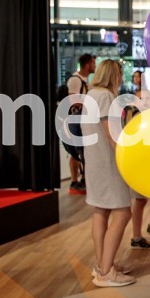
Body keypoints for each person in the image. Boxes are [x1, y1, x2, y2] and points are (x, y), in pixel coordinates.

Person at [82, 59, 135, 288]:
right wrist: (128, 157)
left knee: (100, 211)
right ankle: (106, 272)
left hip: (94, 162)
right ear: (113, 74)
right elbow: (111, 135)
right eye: (120, 73)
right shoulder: (105, 97)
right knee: (123, 213)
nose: (122, 78)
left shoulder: (91, 95)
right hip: (108, 164)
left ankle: (103, 264)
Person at [65, 53, 96, 194]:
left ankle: (84, 179)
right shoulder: (75, 80)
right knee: (75, 152)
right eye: (93, 63)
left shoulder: (85, 80)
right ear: (87, 64)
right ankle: (74, 181)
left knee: (83, 151)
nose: (94, 66)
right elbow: (73, 101)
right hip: (74, 120)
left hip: (82, 120)